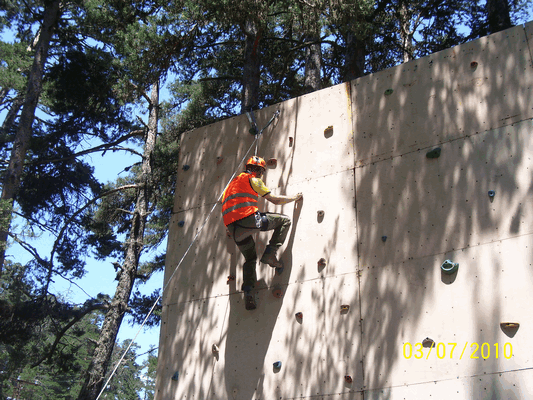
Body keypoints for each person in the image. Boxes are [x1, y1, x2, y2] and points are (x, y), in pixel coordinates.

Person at [221, 156, 303, 310]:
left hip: (234, 230)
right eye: (262, 172)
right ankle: (270, 254)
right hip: (249, 220)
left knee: (250, 259)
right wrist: (294, 198)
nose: (261, 175)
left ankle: (249, 293)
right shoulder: (253, 180)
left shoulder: (230, 185)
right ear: (258, 170)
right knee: (285, 221)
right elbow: (274, 200)